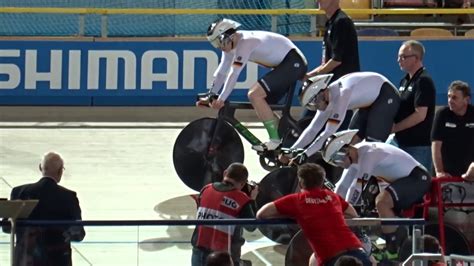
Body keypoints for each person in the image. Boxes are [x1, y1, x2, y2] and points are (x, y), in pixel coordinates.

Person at [321, 130, 432, 261]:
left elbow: (357, 187)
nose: (339, 164)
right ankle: (392, 242)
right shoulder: (355, 156)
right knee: (375, 205)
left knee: (381, 202)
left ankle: (392, 251)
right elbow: (342, 186)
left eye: (338, 159)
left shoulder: (368, 154)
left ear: (347, 149)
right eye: (335, 162)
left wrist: (347, 210)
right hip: (404, 181)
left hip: (418, 178)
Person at [201, 18, 308, 152]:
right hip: (285, 65)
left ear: (227, 36)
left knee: (255, 95)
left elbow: (233, 74)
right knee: (262, 104)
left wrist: (221, 99)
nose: (218, 47)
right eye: (214, 43)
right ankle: (285, 136)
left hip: (292, 62)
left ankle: (274, 140)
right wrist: (211, 94)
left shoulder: (245, 42)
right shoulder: (229, 45)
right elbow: (221, 72)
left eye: (218, 42)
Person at [256, 163, 372, 266]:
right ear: (322, 182)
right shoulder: (332, 196)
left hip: (332, 257)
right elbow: (353, 215)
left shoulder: (297, 200)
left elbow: (261, 214)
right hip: (357, 251)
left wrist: (293, 215)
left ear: (301, 183)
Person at [280, 71, 400, 165]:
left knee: (371, 149)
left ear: (323, 91)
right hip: (368, 102)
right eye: (311, 105)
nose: (317, 106)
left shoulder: (342, 95)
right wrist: (291, 151)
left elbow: (328, 132)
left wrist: (305, 154)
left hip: (385, 96)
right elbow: (312, 130)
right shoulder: (325, 98)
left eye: (316, 101)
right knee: (350, 143)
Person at [2, 152, 85, 266]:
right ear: (60, 171)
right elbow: (79, 234)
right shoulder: (68, 196)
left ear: (40, 167)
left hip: (26, 260)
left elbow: (7, 227)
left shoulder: (19, 192)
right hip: (57, 260)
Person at [191, 162, 258, 266]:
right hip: (223, 258)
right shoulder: (241, 199)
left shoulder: (206, 189)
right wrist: (252, 200)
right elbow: (251, 227)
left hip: (198, 250)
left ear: (225, 173)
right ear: (243, 183)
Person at [304, 0, 360, 121]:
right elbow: (327, 61)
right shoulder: (331, 22)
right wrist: (309, 76)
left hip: (342, 87)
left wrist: (312, 76)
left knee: (337, 128)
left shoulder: (341, 22)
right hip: (332, 86)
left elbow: (336, 60)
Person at [392, 40, 436, 172]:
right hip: (401, 142)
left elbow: (420, 115)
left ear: (416, 58)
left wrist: (395, 128)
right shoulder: (404, 81)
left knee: (415, 185)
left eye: (403, 57)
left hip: (418, 146)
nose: (399, 60)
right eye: (399, 56)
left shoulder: (423, 81)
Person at [431, 80, 474, 178]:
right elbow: (436, 145)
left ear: (466, 100)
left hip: (469, 173)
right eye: (449, 96)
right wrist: (439, 171)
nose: (450, 100)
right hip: (446, 173)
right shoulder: (442, 114)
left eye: (454, 97)